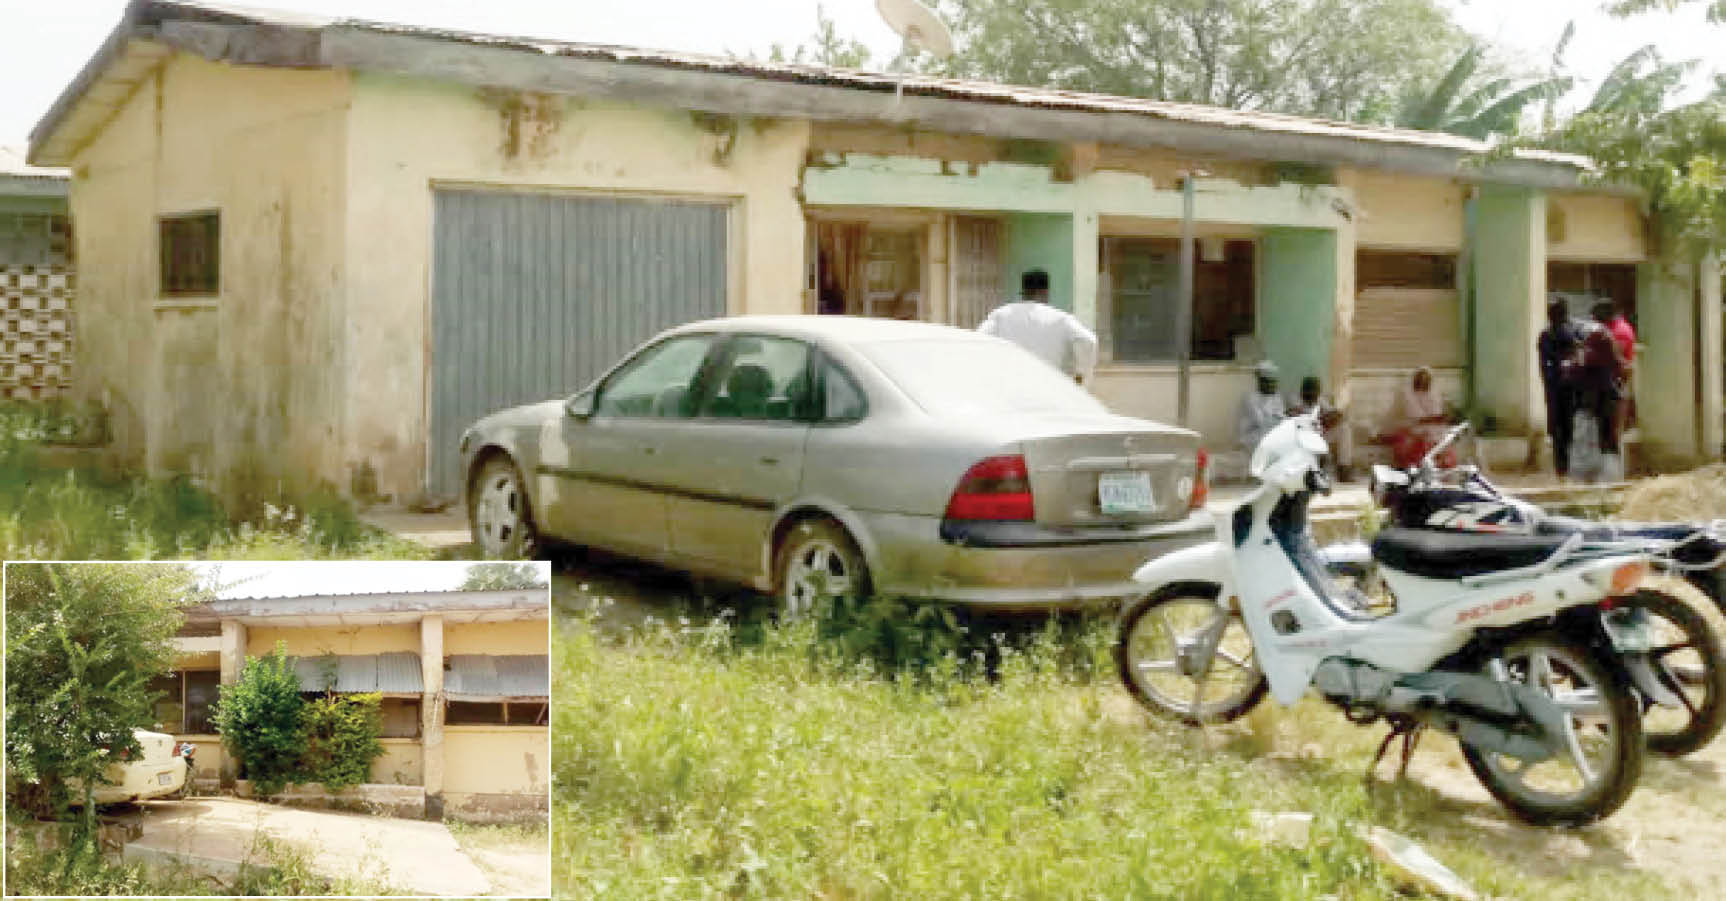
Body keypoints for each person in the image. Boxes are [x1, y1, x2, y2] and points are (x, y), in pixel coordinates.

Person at [978, 269, 1098, 383]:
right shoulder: (1061, 319)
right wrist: (1080, 375)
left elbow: (979, 340)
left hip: (1011, 389)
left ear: (1024, 292)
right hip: (1050, 389)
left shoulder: (1001, 315)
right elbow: (1088, 340)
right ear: (1046, 292)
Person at [1537, 297, 1582, 477]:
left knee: (1562, 429)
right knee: (1565, 429)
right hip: (1564, 388)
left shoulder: (1551, 334)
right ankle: (1564, 467)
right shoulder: (1566, 333)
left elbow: (1545, 364)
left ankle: (1563, 467)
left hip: (1561, 388)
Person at [1380, 366, 1452, 469]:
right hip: (1405, 426)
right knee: (1419, 441)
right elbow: (1415, 416)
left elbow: (1436, 414)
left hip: (1426, 428)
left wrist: (1438, 419)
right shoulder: (1405, 394)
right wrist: (1433, 419)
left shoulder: (1433, 393)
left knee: (1442, 438)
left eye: (1426, 380)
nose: (1423, 382)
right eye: (1420, 379)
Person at [1289, 375, 1352, 480]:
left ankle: (1344, 468)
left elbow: (1331, 415)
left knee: (1344, 429)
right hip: (1300, 440)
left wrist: (1336, 415)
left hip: (1318, 435)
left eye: (1315, 392)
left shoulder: (1319, 400)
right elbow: (1297, 419)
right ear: (1302, 392)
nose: (1312, 395)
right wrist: (1322, 419)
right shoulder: (1295, 400)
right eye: (1309, 392)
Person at [1597, 300, 1636, 439]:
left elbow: (1615, 357)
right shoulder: (1611, 328)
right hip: (1611, 382)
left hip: (1616, 381)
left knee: (1614, 430)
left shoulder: (1620, 330)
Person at [1237, 361, 1286, 454]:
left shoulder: (1277, 396)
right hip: (1252, 438)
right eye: (1269, 383)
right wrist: (1280, 418)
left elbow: (1280, 417)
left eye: (1274, 383)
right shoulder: (1250, 398)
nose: (1272, 386)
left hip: (1269, 434)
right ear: (1261, 382)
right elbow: (1261, 422)